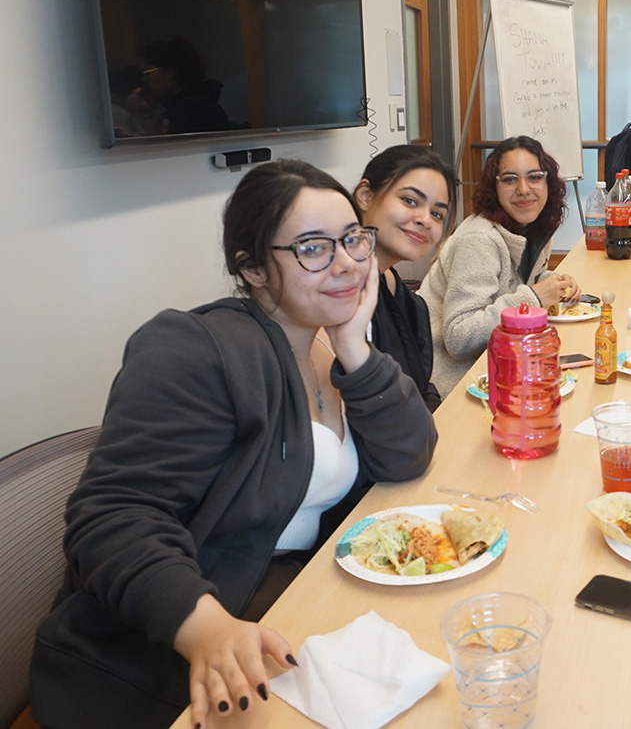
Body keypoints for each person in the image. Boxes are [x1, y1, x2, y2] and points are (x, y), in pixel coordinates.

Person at [31, 161, 437, 729]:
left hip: (288, 606)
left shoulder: (327, 340)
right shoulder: (196, 349)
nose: (346, 262)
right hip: (168, 664)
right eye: (313, 248)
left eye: (352, 239)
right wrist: (206, 627)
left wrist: (354, 347)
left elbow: (409, 456)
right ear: (252, 267)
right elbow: (112, 517)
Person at [419, 136, 580, 395]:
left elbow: (509, 284)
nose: (524, 189)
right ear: (493, 188)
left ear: (548, 182)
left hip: (502, 365)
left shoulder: (532, 226)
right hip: (457, 385)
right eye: (509, 179)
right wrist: (535, 297)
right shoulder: (479, 239)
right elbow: (459, 337)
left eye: (535, 177)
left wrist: (554, 281)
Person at [353, 145, 457, 410]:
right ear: (366, 195)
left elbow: (418, 386)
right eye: (410, 201)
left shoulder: (390, 281)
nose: (425, 220)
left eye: (437, 214)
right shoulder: (340, 291)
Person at [138, 36, 234, 134]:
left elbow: (170, 147)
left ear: (169, 72)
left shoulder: (194, 110)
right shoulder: (175, 105)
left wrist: (144, 114)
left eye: (147, 73)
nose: (144, 79)